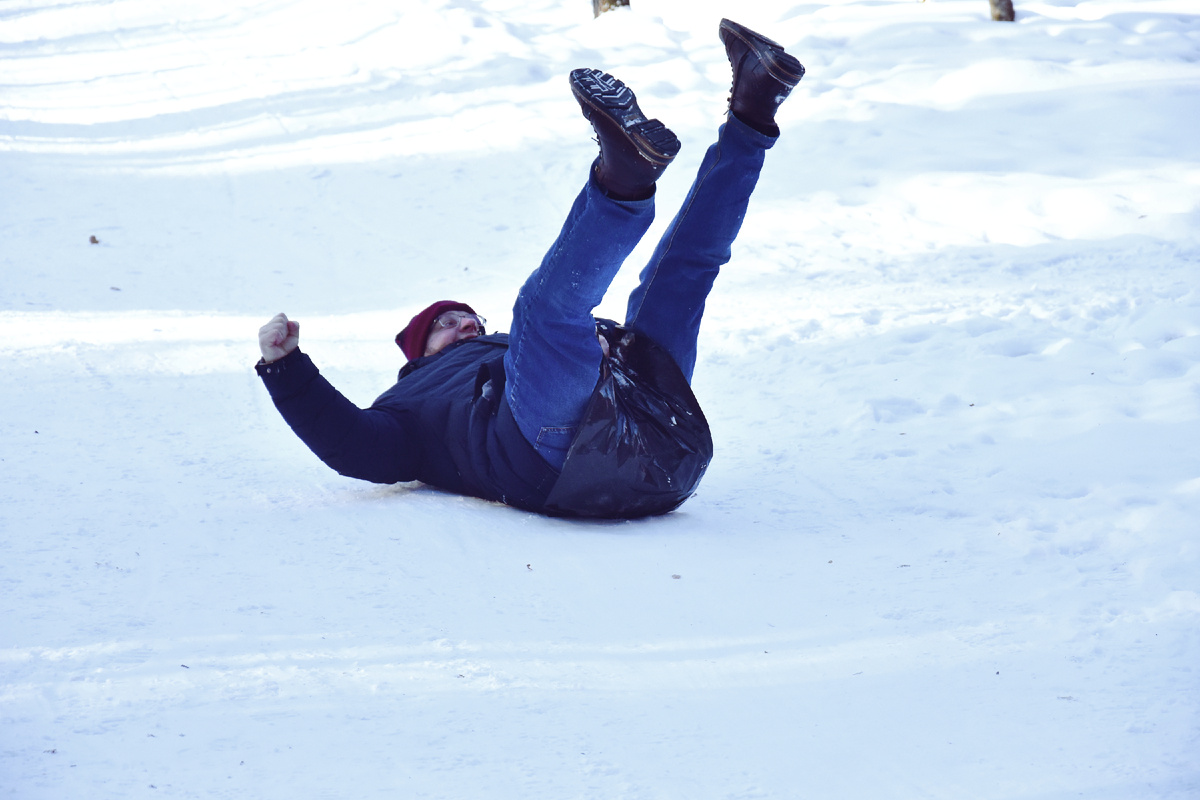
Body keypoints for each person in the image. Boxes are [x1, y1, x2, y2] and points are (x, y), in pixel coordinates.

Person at [257, 19, 804, 518]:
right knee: (544, 309)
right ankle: (623, 182)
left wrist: (607, 346)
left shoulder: (516, 358)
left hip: (659, 436)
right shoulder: (405, 408)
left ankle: (752, 112)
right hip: (563, 462)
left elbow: (558, 353)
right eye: (445, 324)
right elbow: (353, 448)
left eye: (467, 318)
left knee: (682, 273)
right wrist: (287, 369)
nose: (465, 324)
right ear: (415, 353)